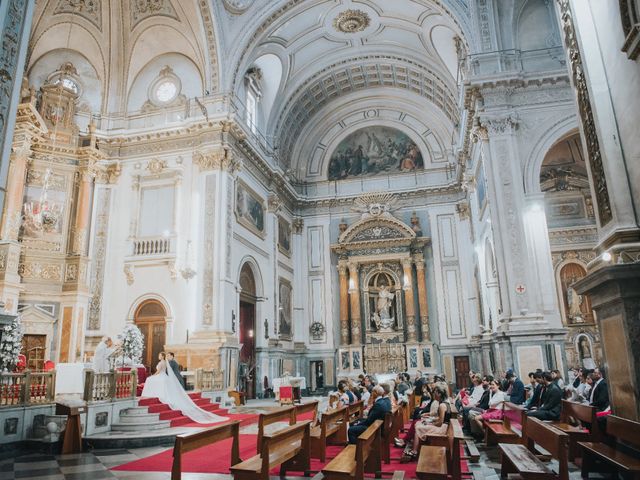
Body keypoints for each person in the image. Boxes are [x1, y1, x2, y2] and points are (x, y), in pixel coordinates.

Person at [141, 352, 228, 424]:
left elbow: (163, 371)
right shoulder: (168, 362)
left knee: (152, 381)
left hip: (172, 377)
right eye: (166, 355)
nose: (166, 357)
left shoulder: (170, 362)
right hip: (169, 377)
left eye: (168, 355)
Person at [402, 385, 452, 461]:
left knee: (419, 428)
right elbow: (439, 419)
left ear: (439, 394)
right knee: (419, 424)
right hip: (443, 426)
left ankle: (414, 451)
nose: (434, 395)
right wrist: (430, 421)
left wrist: (430, 423)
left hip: (442, 429)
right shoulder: (444, 403)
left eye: (435, 393)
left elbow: (440, 422)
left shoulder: (442, 405)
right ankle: (415, 449)